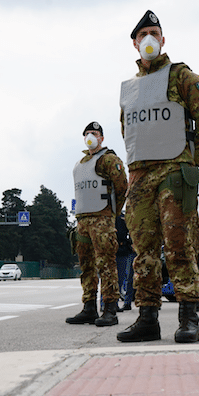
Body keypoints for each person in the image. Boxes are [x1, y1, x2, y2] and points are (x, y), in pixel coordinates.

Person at [117, 10, 199, 343]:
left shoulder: (182, 77)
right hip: (141, 177)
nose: (149, 38)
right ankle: (147, 318)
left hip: (174, 173)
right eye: (143, 33)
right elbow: (128, 132)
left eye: (154, 32)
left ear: (163, 39)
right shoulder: (129, 89)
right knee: (143, 252)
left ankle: (189, 317)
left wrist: (189, 163)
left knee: (179, 246)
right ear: (134, 43)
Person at [67, 121, 128, 326]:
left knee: (106, 265)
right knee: (86, 266)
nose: (90, 136)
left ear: (101, 137)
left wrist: (112, 213)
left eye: (94, 133)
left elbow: (122, 188)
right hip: (82, 221)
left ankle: (110, 309)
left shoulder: (109, 160)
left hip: (102, 219)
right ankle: (89, 307)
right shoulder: (80, 164)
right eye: (86, 133)